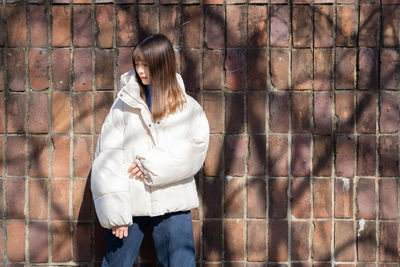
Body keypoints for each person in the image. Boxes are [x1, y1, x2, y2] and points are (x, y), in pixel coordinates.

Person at [91, 34, 210, 267]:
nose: (140, 70)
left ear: (162, 64)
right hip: (129, 202)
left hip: (172, 200)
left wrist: (150, 165)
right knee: (115, 263)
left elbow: (195, 151)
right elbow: (107, 156)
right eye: (137, 64)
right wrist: (116, 215)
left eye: (146, 64)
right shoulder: (123, 105)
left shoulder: (188, 108)